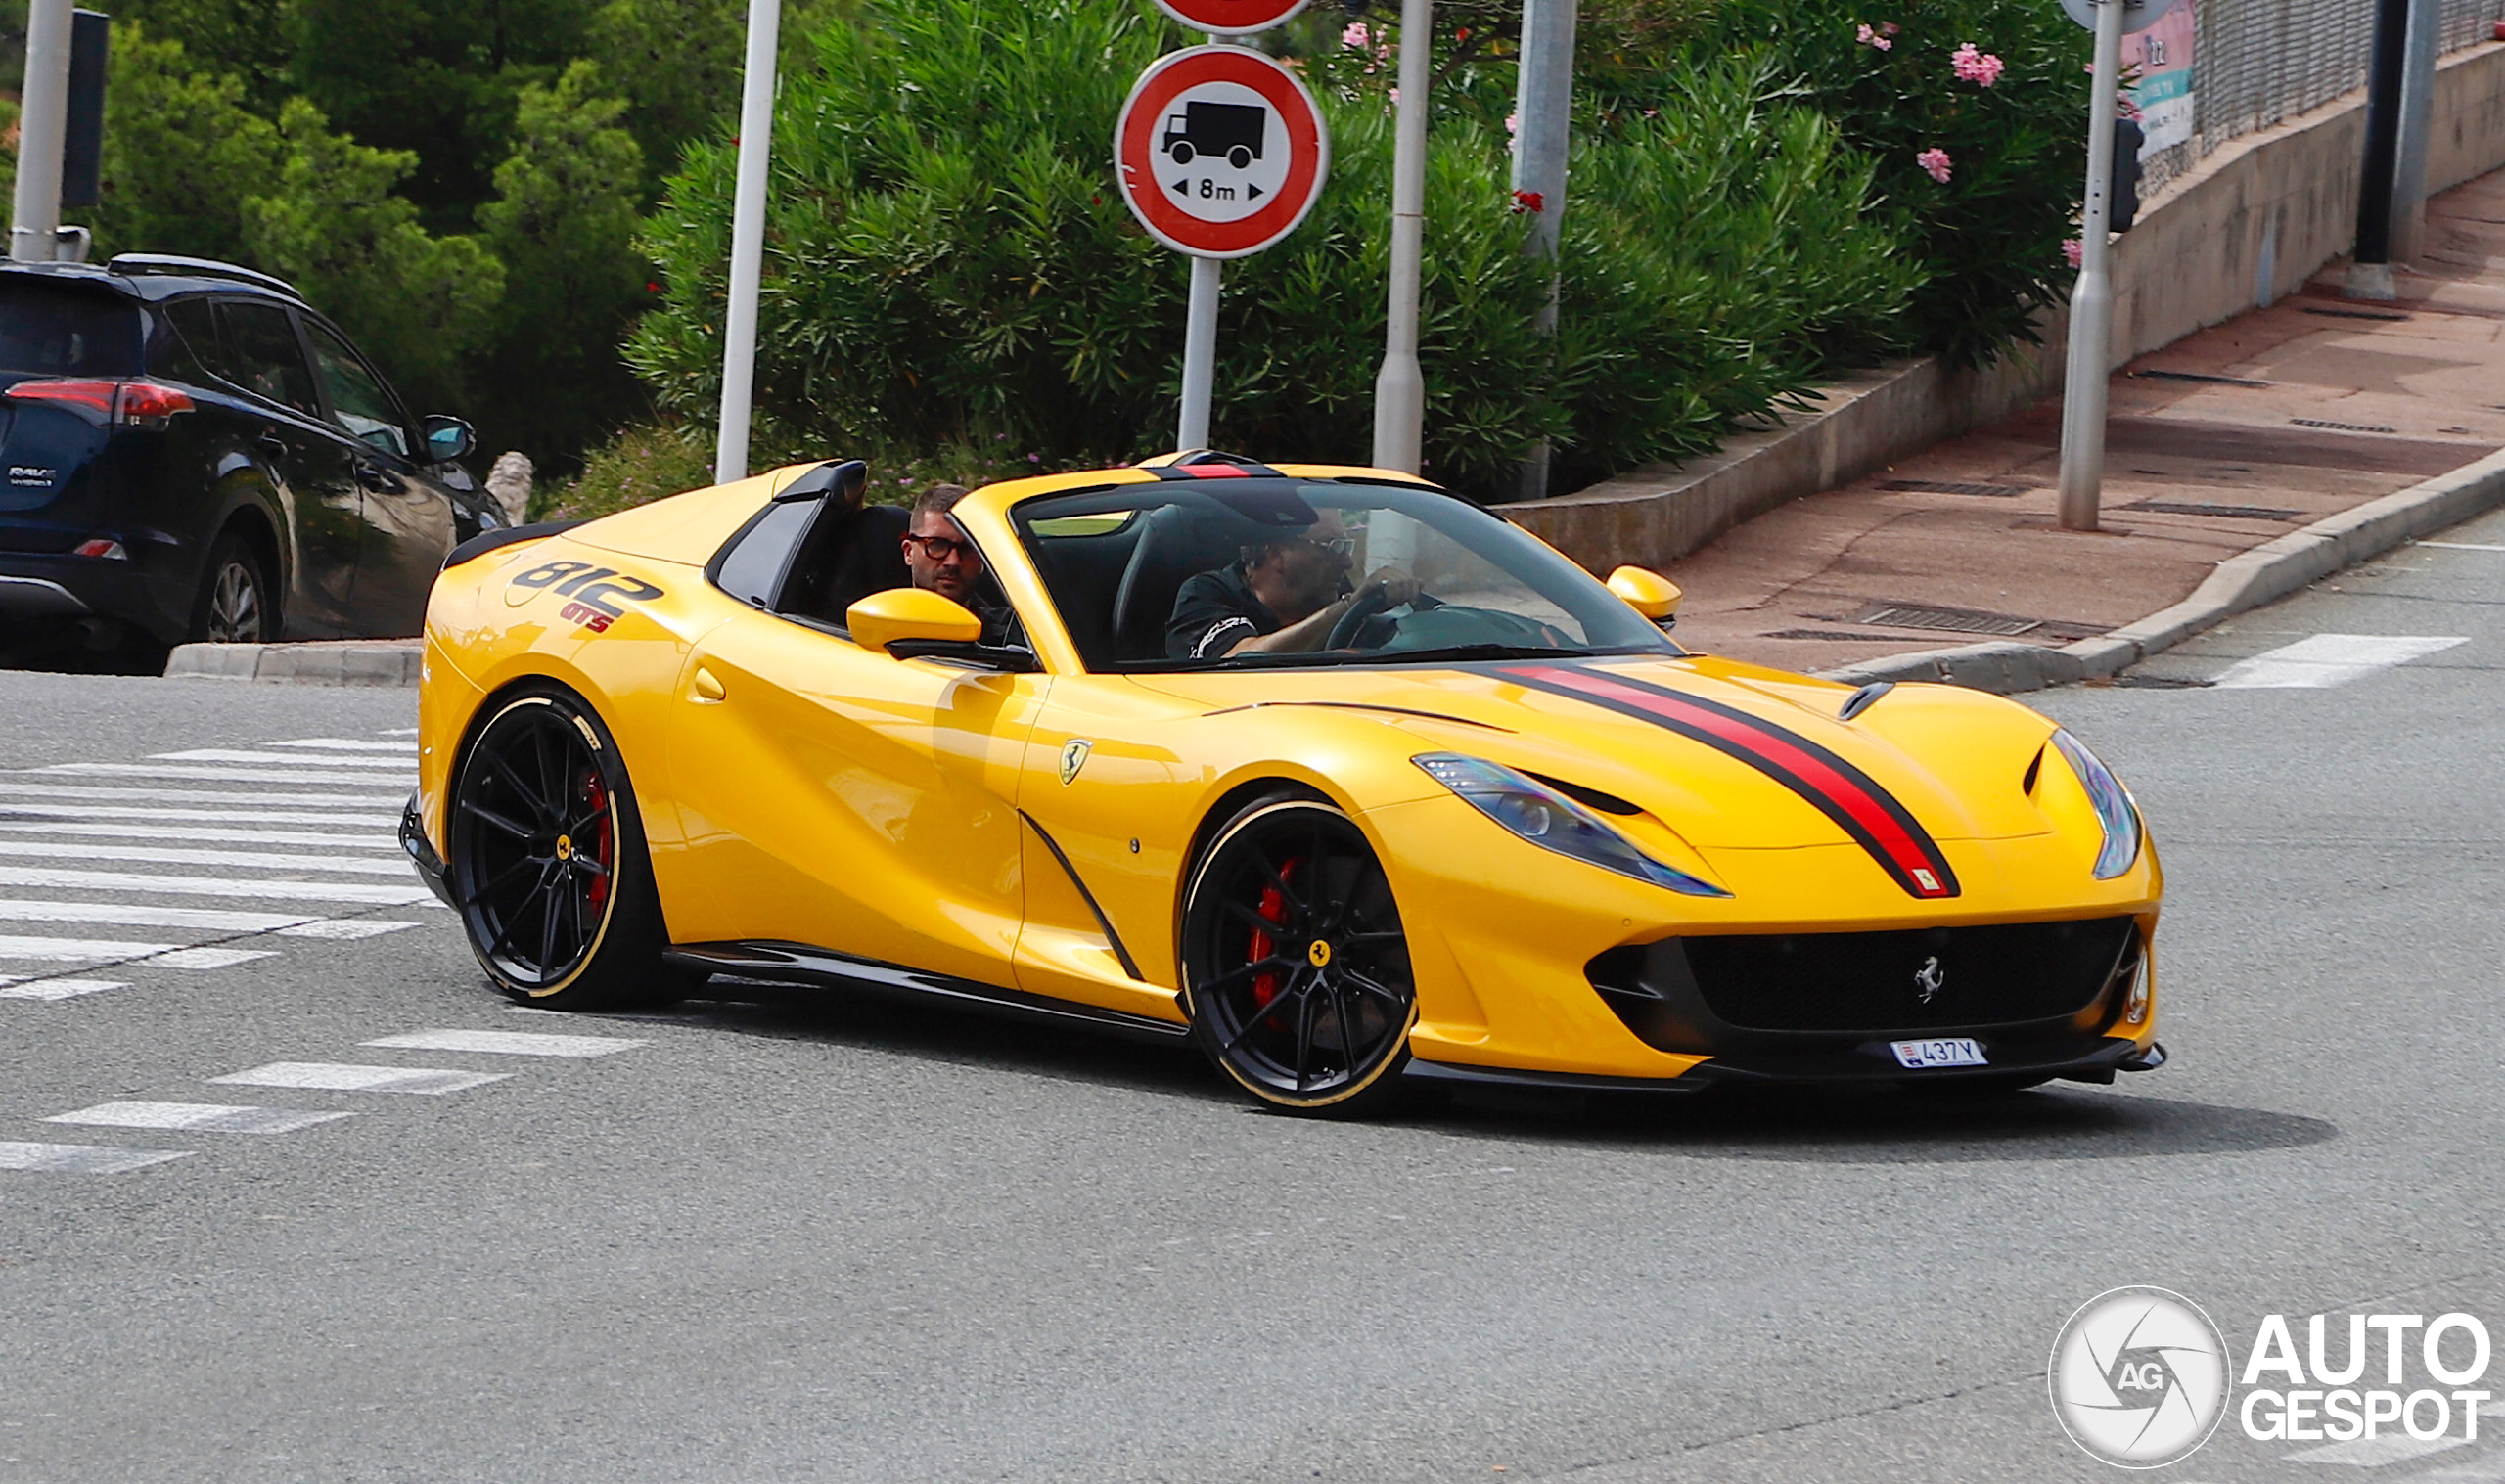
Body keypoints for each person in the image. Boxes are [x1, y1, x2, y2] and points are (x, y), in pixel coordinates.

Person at [1166, 510, 1418, 660]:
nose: (1347, 562)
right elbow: (1238, 660)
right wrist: (1347, 606)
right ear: (1277, 554)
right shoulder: (1208, 593)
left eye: (1346, 547)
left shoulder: (1330, 589)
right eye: (1331, 547)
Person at [901, 483, 1019, 647]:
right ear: (908, 553)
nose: (953, 561)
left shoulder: (1016, 635)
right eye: (937, 545)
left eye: (968, 548)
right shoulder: (880, 630)